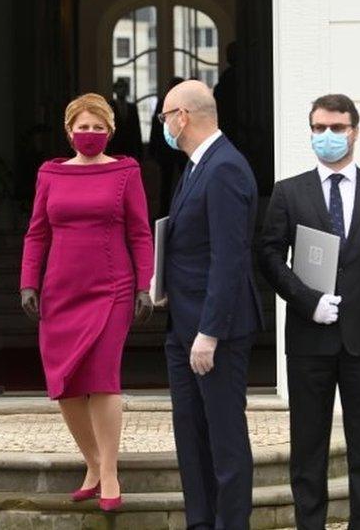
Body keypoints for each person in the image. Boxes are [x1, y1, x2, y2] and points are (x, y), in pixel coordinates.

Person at [258, 94, 360, 529]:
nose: (328, 136)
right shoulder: (289, 191)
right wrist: (308, 300)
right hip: (310, 340)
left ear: (355, 131)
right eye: (319, 129)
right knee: (308, 449)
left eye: (337, 128)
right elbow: (269, 257)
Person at [19, 93, 154, 511]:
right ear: (69, 131)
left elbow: (140, 232)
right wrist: (28, 282)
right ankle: (92, 464)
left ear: (110, 131)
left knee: (102, 377)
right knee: (66, 384)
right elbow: (37, 232)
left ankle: (110, 472)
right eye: (83, 127)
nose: (90, 134)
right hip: (61, 290)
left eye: (98, 128)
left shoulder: (126, 171)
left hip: (111, 289)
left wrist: (144, 285)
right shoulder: (50, 173)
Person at [159, 80, 263, 529]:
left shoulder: (225, 168)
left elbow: (229, 257)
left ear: (183, 116)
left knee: (224, 440)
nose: (162, 125)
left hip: (212, 333)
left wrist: (210, 332)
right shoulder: (197, 166)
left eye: (165, 116)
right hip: (183, 328)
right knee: (192, 436)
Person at [149, 77, 188, 218]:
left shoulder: (186, 106)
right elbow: (156, 127)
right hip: (166, 150)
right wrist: (153, 149)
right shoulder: (163, 103)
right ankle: (164, 213)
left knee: (186, 183)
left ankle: (183, 212)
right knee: (166, 184)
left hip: (183, 150)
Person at [107, 78, 143, 161]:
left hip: (129, 148)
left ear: (127, 90)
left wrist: (140, 150)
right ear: (115, 90)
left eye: (124, 87)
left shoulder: (132, 107)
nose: (122, 90)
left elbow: (137, 129)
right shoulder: (109, 107)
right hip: (114, 148)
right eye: (119, 87)